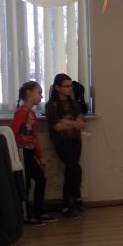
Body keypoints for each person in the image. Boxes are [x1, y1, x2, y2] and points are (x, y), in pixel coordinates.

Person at [11, 80, 56, 225]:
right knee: (26, 184)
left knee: (41, 179)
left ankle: (38, 212)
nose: (41, 96)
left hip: (30, 153)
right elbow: (12, 133)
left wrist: (40, 156)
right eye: (39, 93)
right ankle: (26, 216)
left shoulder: (31, 114)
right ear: (29, 93)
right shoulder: (21, 112)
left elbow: (34, 137)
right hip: (22, 152)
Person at [45, 72, 87, 218]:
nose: (70, 88)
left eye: (71, 86)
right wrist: (74, 123)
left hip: (75, 140)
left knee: (71, 171)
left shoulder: (74, 103)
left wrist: (66, 121)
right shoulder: (51, 105)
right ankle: (76, 198)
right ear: (57, 87)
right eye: (66, 86)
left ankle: (68, 205)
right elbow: (57, 127)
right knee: (75, 168)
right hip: (61, 142)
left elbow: (82, 124)